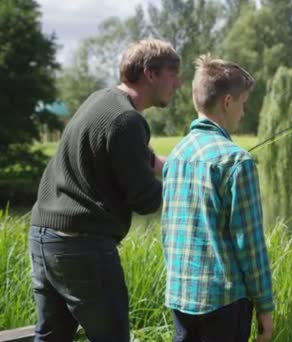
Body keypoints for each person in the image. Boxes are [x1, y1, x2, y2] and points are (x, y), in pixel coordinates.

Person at [29, 39, 181, 341]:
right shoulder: (128, 120)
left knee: (50, 337)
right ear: (150, 74)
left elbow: (124, 152)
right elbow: (145, 199)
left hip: (44, 236)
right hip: (83, 247)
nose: (178, 83)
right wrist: (184, 186)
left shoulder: (102, 100)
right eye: (173, 73)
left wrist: (169, 165)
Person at [161, 55, 274, 342]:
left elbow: (167, 232)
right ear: (227, 101)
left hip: (180, 295)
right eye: (243, 103)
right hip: (223, 301)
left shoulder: (176, 157)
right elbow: (250, 245)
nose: (243, 112)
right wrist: (265, 307)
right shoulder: (237, 161)